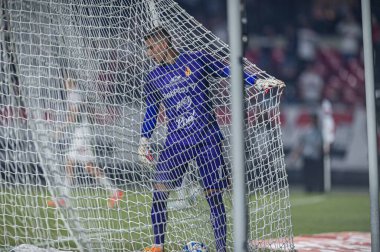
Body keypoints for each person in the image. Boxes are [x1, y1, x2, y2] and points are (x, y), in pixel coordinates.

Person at [138, 26, 281, 252]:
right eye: (147, 49)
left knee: (214, 197)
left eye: (151, 47)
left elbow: (229, 70)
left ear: (164, 43)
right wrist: (144, 140)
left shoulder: (196, 60)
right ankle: (157, 246)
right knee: (159, 191)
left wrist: (256, 82)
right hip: (176, 142)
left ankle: (221, 249)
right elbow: (151, 110)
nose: (149, 53)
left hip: (207, 139)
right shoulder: (154, 77)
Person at [47, 78, 123, 209]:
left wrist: (60, 129)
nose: (65, 83)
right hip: (82, 131)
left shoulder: (74, 94)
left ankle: (65, 199)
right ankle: (115, 191)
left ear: (70, 81)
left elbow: (74, 115)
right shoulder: (77, 93)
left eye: (67, 80)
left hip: (82, 133)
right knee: (87, 167)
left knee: (70, 163)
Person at [291, 113, 324, 193]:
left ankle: (318, 187)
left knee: (316, 174)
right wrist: (296, 154)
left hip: (316, 156)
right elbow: (301, 144)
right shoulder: (307, 130)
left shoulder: (320, 131)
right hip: (307, 155)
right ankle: (308, 188)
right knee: (307, 173)